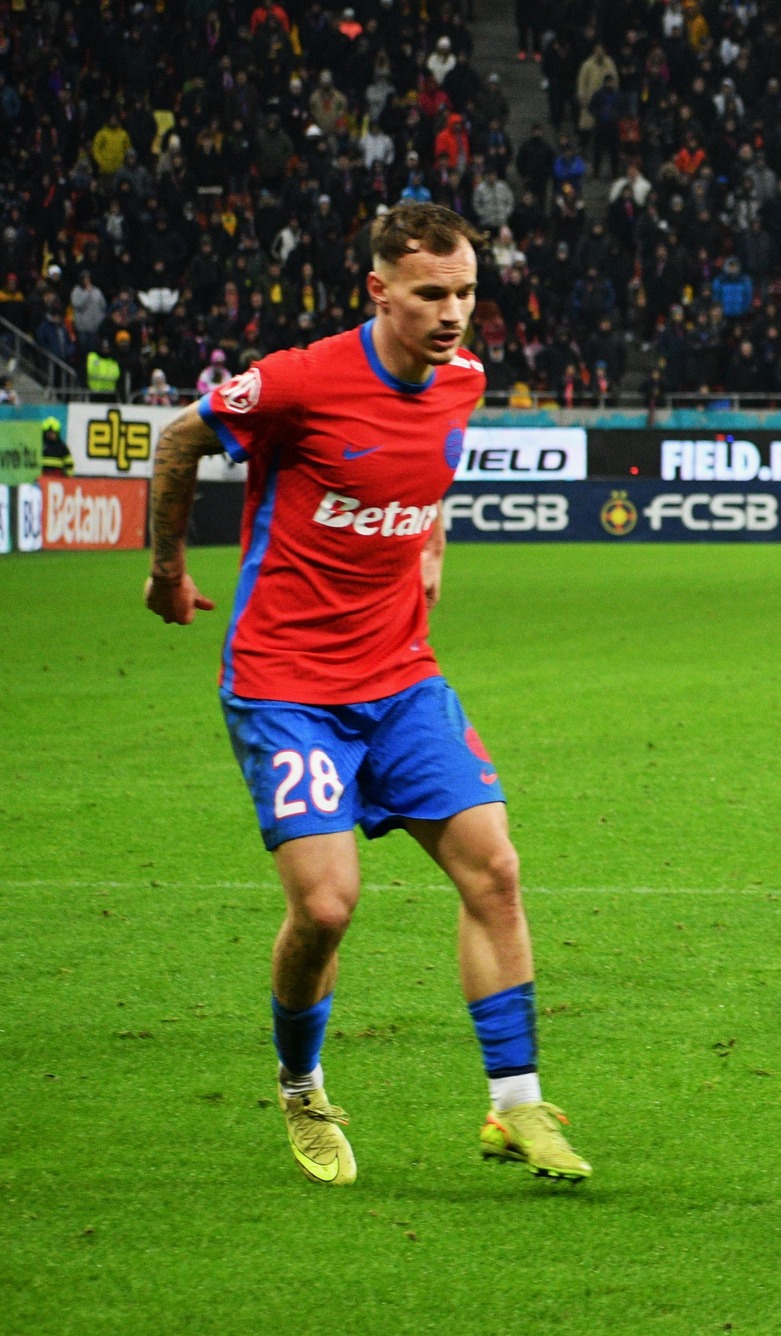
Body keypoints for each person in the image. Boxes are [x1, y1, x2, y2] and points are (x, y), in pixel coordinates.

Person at [141, 202, 591, 1188]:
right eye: (431, 294)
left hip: (401, 678)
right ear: (379, 291)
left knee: (495, 871)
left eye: (465, 293)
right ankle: (301, 1084)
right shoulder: (301, 381)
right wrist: (167, 568)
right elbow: (179, 440)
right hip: (285, 684)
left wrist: (431, 544)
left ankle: (515, 1104)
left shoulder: (463, 380)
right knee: (328, 905)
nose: (453, 313)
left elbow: (426, 477)